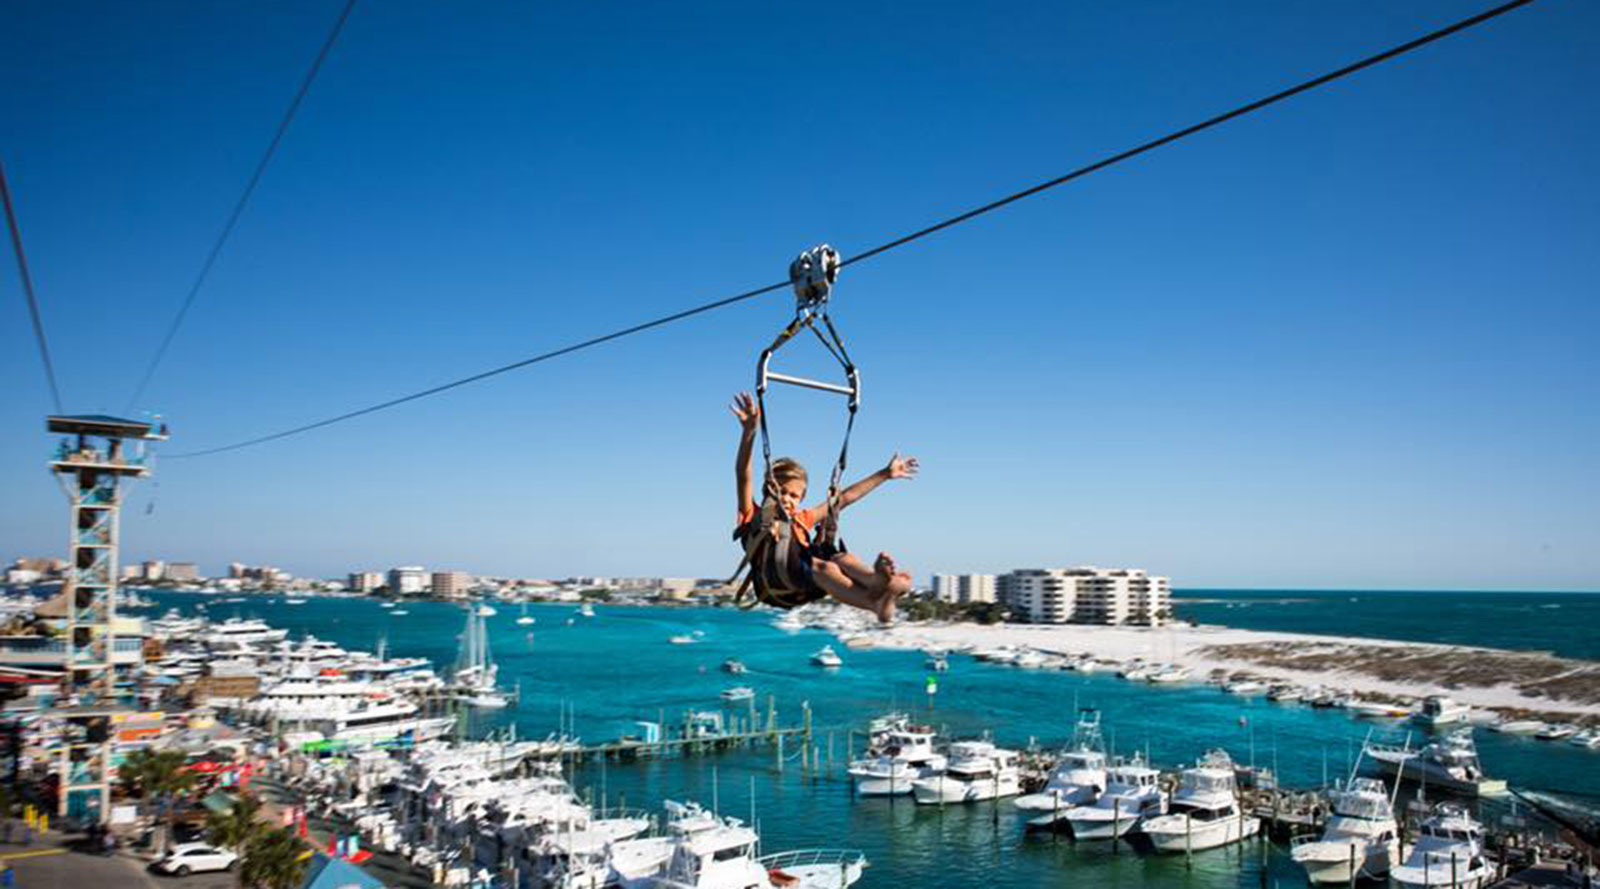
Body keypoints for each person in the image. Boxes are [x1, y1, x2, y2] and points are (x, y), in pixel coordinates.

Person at [730, 392, 916, 623]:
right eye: (780, 492)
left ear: (802, 497)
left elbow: (845, 497)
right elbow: (743, 475)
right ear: (768, 490)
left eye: (793, 495)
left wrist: (885, 474)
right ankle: (874, 602)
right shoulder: (754, 515)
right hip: (780, 583)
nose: (786, 499)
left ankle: (876, 583)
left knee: (842, 558)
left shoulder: (803, 518)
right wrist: (749, 432)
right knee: (825, 567)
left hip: (810, 582)